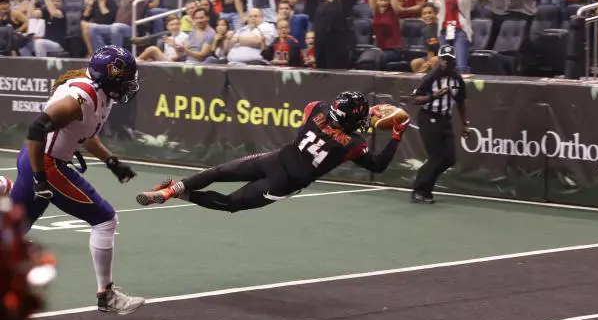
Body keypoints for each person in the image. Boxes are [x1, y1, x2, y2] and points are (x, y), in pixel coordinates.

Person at [9, 45, 145, 315]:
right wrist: (40, 177)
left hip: (36, 159)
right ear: (109, 76)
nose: (129, 85)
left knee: (12, 234)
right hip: (46, 163)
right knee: (105, 219)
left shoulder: (98, 93)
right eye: (125, 79)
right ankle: (106, 296)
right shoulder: (80, 97)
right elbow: (36, 129)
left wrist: (111, 162)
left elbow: (85, 134)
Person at [136, 91, 410, 212]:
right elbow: (378, 165)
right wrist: (396, 135)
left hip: (276, 159)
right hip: (284, 182)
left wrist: (360, 115)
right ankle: (179, 193)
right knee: (231, 204)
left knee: (218, 172)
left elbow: (328, 116)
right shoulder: (352, 145)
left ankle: (170, 189)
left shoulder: (316, 109)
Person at [410, 45, 472, 204]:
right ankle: (420, 190)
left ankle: (425, 183)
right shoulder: (431, 77)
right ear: (438, 59)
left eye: (449, 59)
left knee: (450, 158)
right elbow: (415, 99)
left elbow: (461, 102)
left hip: (445, 119)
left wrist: (465, 124)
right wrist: (433, 96)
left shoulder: (457, 79)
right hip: (428, 117)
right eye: (443, 59)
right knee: (437, 156)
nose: (445, 62)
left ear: (454, 61)